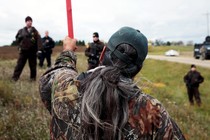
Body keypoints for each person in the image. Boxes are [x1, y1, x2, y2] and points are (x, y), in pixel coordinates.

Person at [39, 27, 185, 139]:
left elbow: (55, 76)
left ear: (103, 53)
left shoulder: (64, 85)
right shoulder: (152, 111)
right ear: (138, 70)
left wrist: (68, 51)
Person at [12, 16, 42, 81]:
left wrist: (39, 50)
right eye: (28, 21)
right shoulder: (21, 31)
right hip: (23, 51)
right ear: (26, 22)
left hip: (32, 52)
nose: (29, 22)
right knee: (19, 65)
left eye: (31, 21)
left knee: (33, 66)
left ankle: (33, 79)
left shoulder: (35, 31)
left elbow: (39, 41)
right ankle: (15, 78)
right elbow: (17, 40)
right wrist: (18, 38)